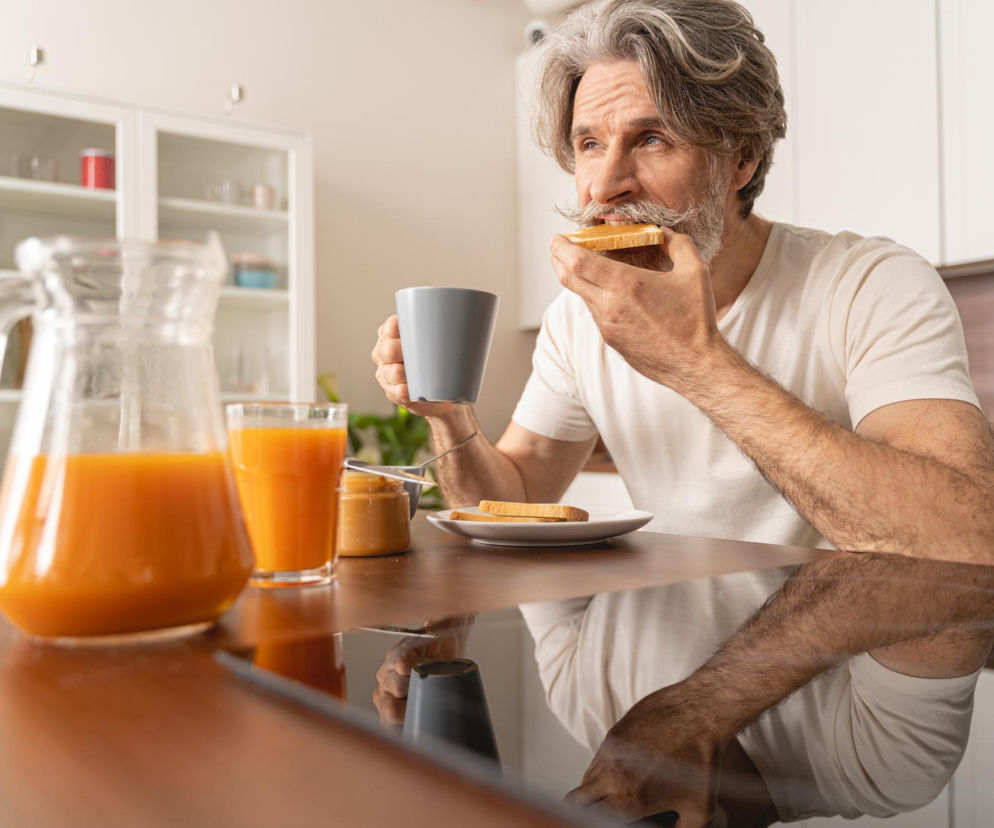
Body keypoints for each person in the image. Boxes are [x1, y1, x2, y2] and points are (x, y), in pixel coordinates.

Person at [371, 0, 994, 823]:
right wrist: (450, 417)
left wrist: (696, 361)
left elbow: (970, 538)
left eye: (651, 139)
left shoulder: (872, 285)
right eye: (589, 145)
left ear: (739, 156)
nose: (602, 186)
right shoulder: (575, 322)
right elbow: (510, 494)